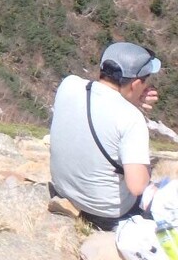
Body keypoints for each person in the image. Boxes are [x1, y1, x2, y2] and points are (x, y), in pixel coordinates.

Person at [50, 41, 162, 229]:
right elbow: (137, 186)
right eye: (144, 81)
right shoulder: (131, 118)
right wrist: (132, 105)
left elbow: (101, 108)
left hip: (63, 190)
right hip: (105, 211)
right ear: (135, 84)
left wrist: (130, 99)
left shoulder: (69, 84)